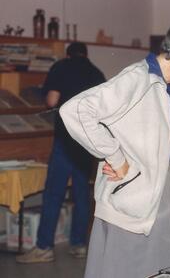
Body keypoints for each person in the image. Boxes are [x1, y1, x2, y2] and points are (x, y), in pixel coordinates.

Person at [58, 18, 170, 278]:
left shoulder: (169, 89)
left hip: (158, 201)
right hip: (133, 205)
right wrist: (116, 157)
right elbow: (75, 111)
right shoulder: (137, 79)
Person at [16, 42, 106, 263]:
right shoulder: (97, 73)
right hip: (87, 143)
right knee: (82, 196)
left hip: (65, 141)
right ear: (86, 54)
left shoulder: (61, 67)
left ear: (68, 54)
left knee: (54, 194)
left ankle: (44, 247)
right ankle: (79, 244)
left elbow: (52, 100)